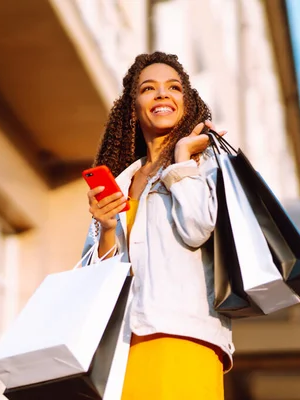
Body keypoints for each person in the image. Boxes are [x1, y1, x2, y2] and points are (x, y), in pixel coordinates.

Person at [81, 51, 233, 399]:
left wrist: (181, 162)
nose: (163, 94)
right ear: (132, 108)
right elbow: (98, 277)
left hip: (185, 337)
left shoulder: (206, 163)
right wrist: (105, 228)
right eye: (149, 88)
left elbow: (197, 228)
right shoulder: (122, 180)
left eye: (174, 87)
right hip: (123, 346)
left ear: (187, 101)